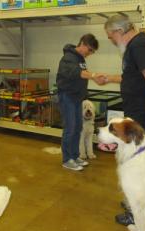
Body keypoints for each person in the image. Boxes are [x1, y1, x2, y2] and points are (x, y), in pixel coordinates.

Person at [103, 15, 145, 225]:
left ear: (120, 31)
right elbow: (133, 78)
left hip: (141, 117)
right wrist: (108, 78)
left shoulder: (138, 46)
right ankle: (135, 206)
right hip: (138, 114)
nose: (111, 41)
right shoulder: (138, 46)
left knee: (136, 167)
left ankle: (138, 215)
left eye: (111, 37)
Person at [56, 34, 106, 171]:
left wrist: (86, 92)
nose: (90, 53)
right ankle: (67, 160)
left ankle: (75, 156)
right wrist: (94, 75)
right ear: (82, 44)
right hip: (67, 97)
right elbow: (77, 73)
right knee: (70, 128)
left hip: (77, 97)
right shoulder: (68, 58)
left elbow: (83, 74)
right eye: (89, 50)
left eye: (92, 52)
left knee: (78, 127)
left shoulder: (80, 58)